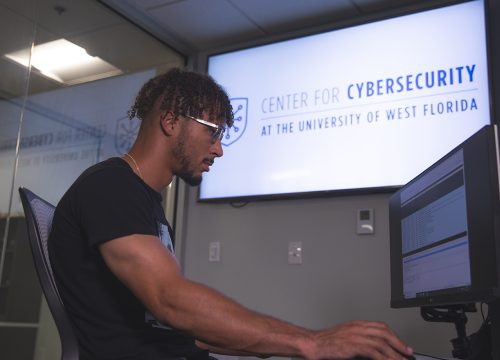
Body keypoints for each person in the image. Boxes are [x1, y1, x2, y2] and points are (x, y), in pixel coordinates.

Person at [49, 68, 413, 360]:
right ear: (171, 121)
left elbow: (175, 327)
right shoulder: (110, 186)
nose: (219, 150)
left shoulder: (147, 205)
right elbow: (169, 298)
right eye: (213, 133)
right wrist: (312, 342)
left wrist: (282, 342)